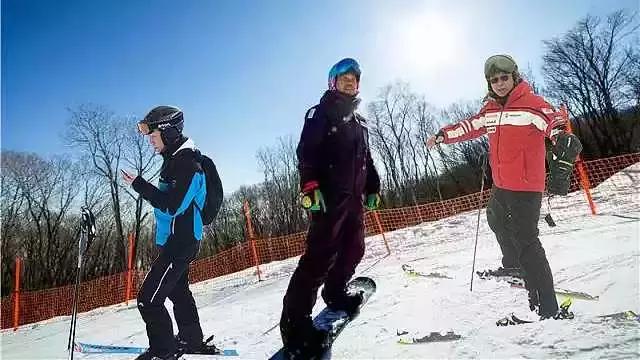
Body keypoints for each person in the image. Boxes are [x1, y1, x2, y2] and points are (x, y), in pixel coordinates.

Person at [426, 54, 581, 319]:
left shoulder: (532, 104)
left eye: (504, 78)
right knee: (496, 219)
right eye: (494, 80)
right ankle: (514, 266)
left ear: (514, 77)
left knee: (527, 241)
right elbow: (469, 126)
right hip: (502, 185)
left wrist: (560, 137)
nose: (499, 83)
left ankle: (547, 307)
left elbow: (551, 122)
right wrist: (443, 135)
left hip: (525, 187)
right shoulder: (490, 110)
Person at [279, 58, 381, 358]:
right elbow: (306, 153)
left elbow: (367, 159)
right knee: (319, 257)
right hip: (327, 196)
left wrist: (373, 186)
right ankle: (295, 325)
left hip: (353, 199)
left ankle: (335, 293)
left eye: (354, 79)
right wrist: (309, 186)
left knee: (354, 248)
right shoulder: (320, 113)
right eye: (343, 78)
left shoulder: (360, 122)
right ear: (332, 82)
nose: (349, 82)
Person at [122, 105, 210, 360]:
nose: (150, 141)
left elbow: (172, 204)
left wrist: (139, 184)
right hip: (174, 240)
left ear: (169, 133)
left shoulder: (188, 165)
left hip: (181, 243)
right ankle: (191, 340)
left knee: (148, 300)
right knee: (178, 291)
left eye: (153, 136)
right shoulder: (174, 161)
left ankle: (164, 353)